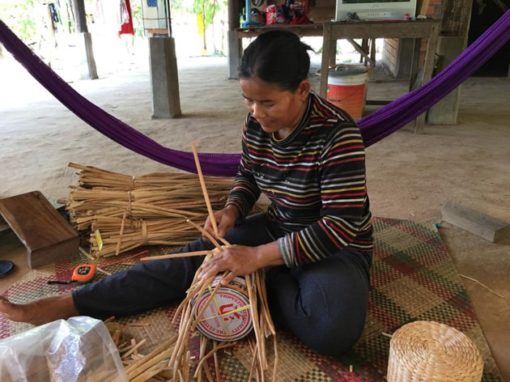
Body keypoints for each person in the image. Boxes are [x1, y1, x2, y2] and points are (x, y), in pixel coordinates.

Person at [0, 30, 372, 357]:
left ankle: (263, 275)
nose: (256, 112)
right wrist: (231, 211)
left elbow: (340, 227)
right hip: (279, 227)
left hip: (334, 248)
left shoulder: (338, 135)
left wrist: (257, 257)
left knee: (332, 330)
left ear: (302, 90)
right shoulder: (257, 124)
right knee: (183, 259)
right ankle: (72, 302)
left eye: (268, 102)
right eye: (248, 101)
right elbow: (249, 175)